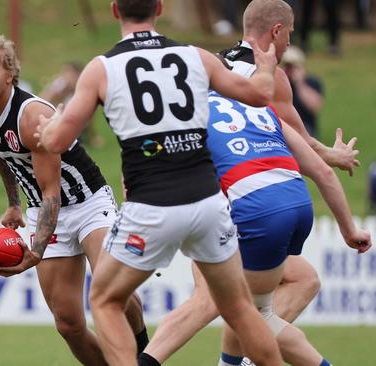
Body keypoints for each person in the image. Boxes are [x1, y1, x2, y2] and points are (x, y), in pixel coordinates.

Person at [38, 0, 285, 364]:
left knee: (105, 300)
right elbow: (260, 94)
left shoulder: (101, 69)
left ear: (114, 10)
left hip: (151, 206)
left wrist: (47, 130)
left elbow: (57, 142)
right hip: (208, 201)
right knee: (239, 307)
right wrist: (266, 68)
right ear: (160, 8)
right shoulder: (195, 56)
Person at [139, 1, 359, 365]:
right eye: (289, 34)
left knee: (287, 287)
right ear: (276, 32)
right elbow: (296, 141)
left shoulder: (213, 63)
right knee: (219, 300)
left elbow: (165, 136)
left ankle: (235, 360)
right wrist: (330, 157)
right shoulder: (270, 78)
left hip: (214, 190)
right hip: (230, 199)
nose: (289, 43)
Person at [0, 34, 147, 366]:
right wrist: (13, 202)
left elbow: (51, 192)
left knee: (111, 291)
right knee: (68, 324)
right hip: (42, 210)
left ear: (10, 74)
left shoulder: (32, 117)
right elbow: (1, 149)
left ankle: (144, 351)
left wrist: (36, 250)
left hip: (88, 203)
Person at [204, 91, 370, 366]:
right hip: (297, 202)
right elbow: (323, 171)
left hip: (255, 209)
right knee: (302, 280)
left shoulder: (189, 109)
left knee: (247, 313)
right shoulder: (258, 106)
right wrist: (349, 230)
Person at [39, 61, 103, 148]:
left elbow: (90, 117)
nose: (65, 76)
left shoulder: (83, 89)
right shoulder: (59, 86)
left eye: (69, 73)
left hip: (74, 126)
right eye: (64, 72)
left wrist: (93, 137)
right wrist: (56, 91)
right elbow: (41, 101)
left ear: (77, 75)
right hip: (55, 122)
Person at [282, 45, 324, 138]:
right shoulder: (278, 82)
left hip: (305, 128)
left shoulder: (311, 82)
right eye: (287, 66)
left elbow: (314, 106)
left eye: (292, 66)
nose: (290, 70)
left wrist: (299, 83)